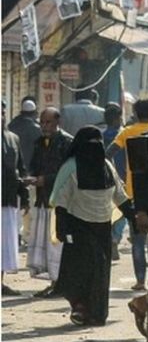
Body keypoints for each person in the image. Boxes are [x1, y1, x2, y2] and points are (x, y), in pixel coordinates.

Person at [51, 126, 136, 326]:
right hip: (78, 227)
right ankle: (80, 308)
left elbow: (120, 196)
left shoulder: (106, 166)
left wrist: (134, 218)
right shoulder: (73, 167)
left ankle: (96, 313)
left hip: (101, 228)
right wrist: (61, 229)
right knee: (80, 270)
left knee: (99, 272)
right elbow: (61, 203)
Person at [106, 99, 148, 291]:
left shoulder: (126, 132)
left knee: (138, 240)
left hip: (133, 191)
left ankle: (140, 281)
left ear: (135, 114)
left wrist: (115, 176)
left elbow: (108, 153)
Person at [27, 107, 73, 297]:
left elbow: (68, 172)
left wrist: (46, 179)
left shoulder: (66, 142)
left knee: (57, 244)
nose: (44, 126)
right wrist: (31, 178)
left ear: (57, 123)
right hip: (43, 200)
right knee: (46, 243)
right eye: (42, 122)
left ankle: (60, 283)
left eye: (48, 122)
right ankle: (54, 282)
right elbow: (34, 167)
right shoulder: (39, 143)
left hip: (60, 202)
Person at [2, 101, 30, 296]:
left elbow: (19, 168)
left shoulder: (13, 138)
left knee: (4, 244)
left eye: (3, 112)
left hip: (8, 199)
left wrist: (25, 196)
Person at [9, 98, 41, 242]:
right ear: (34, 112)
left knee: (15, 206)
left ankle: (17, 234)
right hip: (31, 174)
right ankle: (28, 236)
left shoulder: (12, 126)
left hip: (13, 173)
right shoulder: (38, 129)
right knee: (31, 206)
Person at [102, 104, 126, 261]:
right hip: (123, 178)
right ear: (118, 118)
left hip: (106, 178)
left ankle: (111, 238)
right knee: (122, 210)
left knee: (109, 210)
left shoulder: (102, 135)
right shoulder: (123, 136)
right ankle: (115, 238)